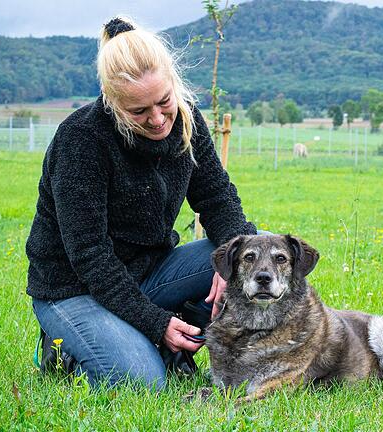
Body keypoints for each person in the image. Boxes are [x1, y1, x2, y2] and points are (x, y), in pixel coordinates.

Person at [25, 16, 256, 390]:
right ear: (112, 103)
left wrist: (233, 254)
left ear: (173, 82)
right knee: (143, 382)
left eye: (164, 101)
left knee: (254, 248)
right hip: (73, 289)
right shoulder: (82, 140)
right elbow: (89, 256)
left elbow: (216, 197)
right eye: (139, 112)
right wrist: (155, 322)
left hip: (149, 272)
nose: (158, 118)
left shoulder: (186, 119)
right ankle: (65, 351)